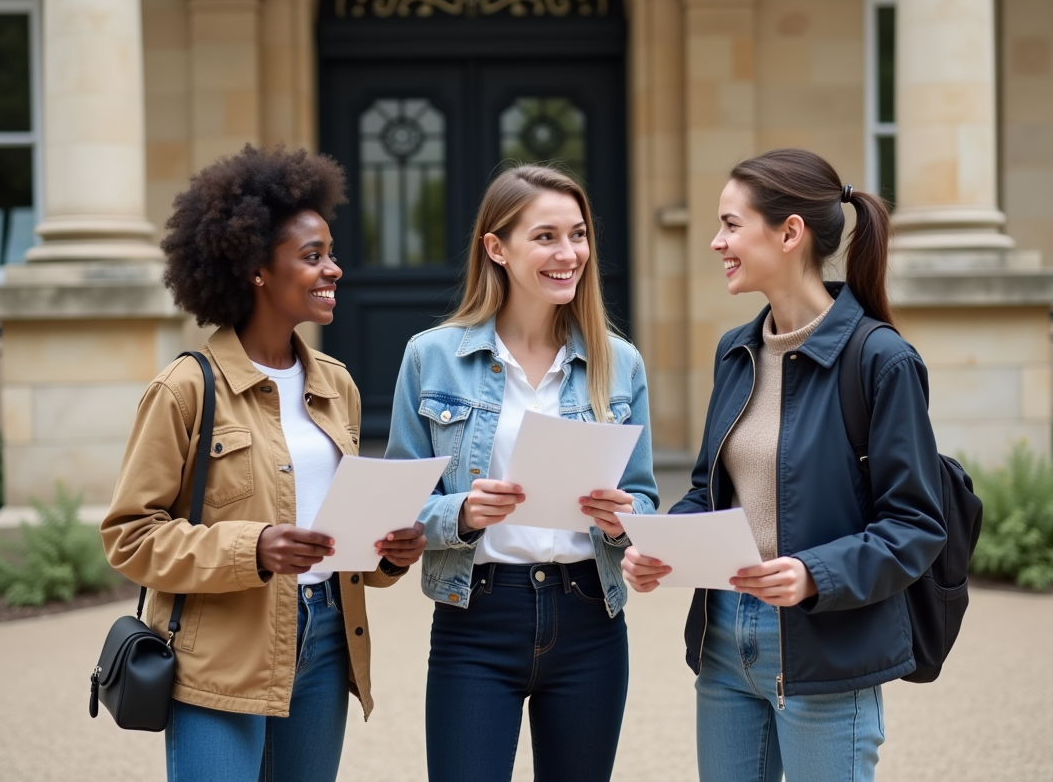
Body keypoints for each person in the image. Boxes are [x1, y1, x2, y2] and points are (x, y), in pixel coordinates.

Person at [100, 145, 427, 782]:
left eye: (331, 253)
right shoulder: (186, 389)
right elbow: (129, 536)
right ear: (255, 269)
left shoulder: (338, 385)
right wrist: (254, 548)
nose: (333, 269)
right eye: (312, 257)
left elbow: (340, 533)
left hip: (328, 640)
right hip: (219, 658)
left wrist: (388, 552)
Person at [623, 148, 946, 782]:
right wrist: (660, 545)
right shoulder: (736, 351)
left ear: (790, 232)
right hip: (723, 643)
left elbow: (916, 525)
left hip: (824, 648)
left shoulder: (882, 360)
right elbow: (708, 491)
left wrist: (811, 574)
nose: (717, 242)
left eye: (731, 225)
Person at [385, 164, 659, 782]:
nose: (569, 254)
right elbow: (399, 504)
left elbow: (641, 497)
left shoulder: (621, 363)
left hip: (590, 616)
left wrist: (623, 521)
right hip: (476, 616)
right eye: (546, 237)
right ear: (496, 248)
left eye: (579, 234)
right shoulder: (431, 358)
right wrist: (460, 513)